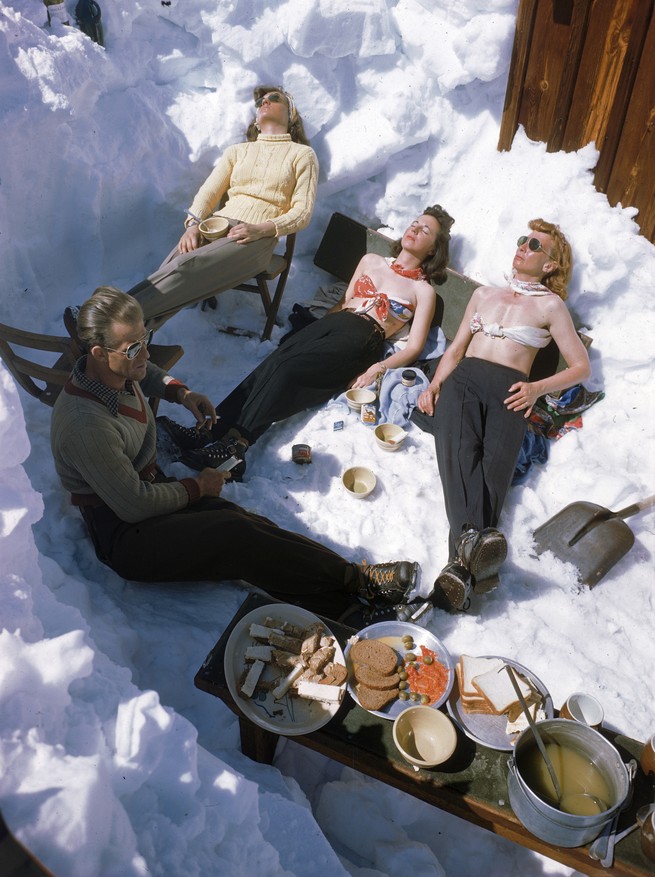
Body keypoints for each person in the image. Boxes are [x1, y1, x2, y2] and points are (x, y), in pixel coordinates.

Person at [51, 287, 422, 621]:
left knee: (247, 525)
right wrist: (198, 487)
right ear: (99, 353)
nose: (144, 353)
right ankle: (356, 595)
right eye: (133, 347)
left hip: (147, 490)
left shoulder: (110, 369)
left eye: (145, 338)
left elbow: (142, 372)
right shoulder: (86, 425)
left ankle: (351, 595)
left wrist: (180, 392)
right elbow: (132, 504)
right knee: (233, 535)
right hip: (124, 535)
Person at [157, 205, 455, 472]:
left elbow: (415, 345)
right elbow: (345, 301)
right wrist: (315, 332)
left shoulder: (423, 290)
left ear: (433, 250)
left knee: (289, 372)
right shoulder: (371, 260)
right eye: (415, 222)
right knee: (276, 362)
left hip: (365, 335)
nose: (415, 228)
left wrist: (378, 368)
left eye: (425, 229)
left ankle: (237, 445)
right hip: (336, 321)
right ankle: (209, 430)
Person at [416, 219, 591, 612]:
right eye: (522, 240)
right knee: (461, 458)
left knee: (492, 478)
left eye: (533, 245)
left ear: (549, 265)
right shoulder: (484, 295)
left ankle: (457, 574)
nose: (523, 248)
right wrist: (434, 386)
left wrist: (535, 389)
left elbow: (581, 367)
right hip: (464, 382)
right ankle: (470, 563)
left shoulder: (550, 305)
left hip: (513, 393)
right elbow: (456, 348)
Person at [67, 85, 318, 333]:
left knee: (185, 267)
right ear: (255, 119)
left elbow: (302, 212)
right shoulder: (238, 152)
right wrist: (193, 224)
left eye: (273, 98)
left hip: (256, 238)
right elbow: (208, 193)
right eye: (259, 101)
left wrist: (261, 229)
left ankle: (104, 320)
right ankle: (121, 339)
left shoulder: (302, 155)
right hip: (216, 226)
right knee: (172, 267)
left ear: (291, 114)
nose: (264, 102)